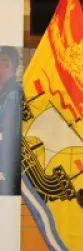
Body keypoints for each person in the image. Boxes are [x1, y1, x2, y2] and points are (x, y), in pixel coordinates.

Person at [0, 46, 22, 195]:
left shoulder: (15, 95)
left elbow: (10, 137)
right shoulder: (5, 94)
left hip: (8, 172)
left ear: (7, 65)